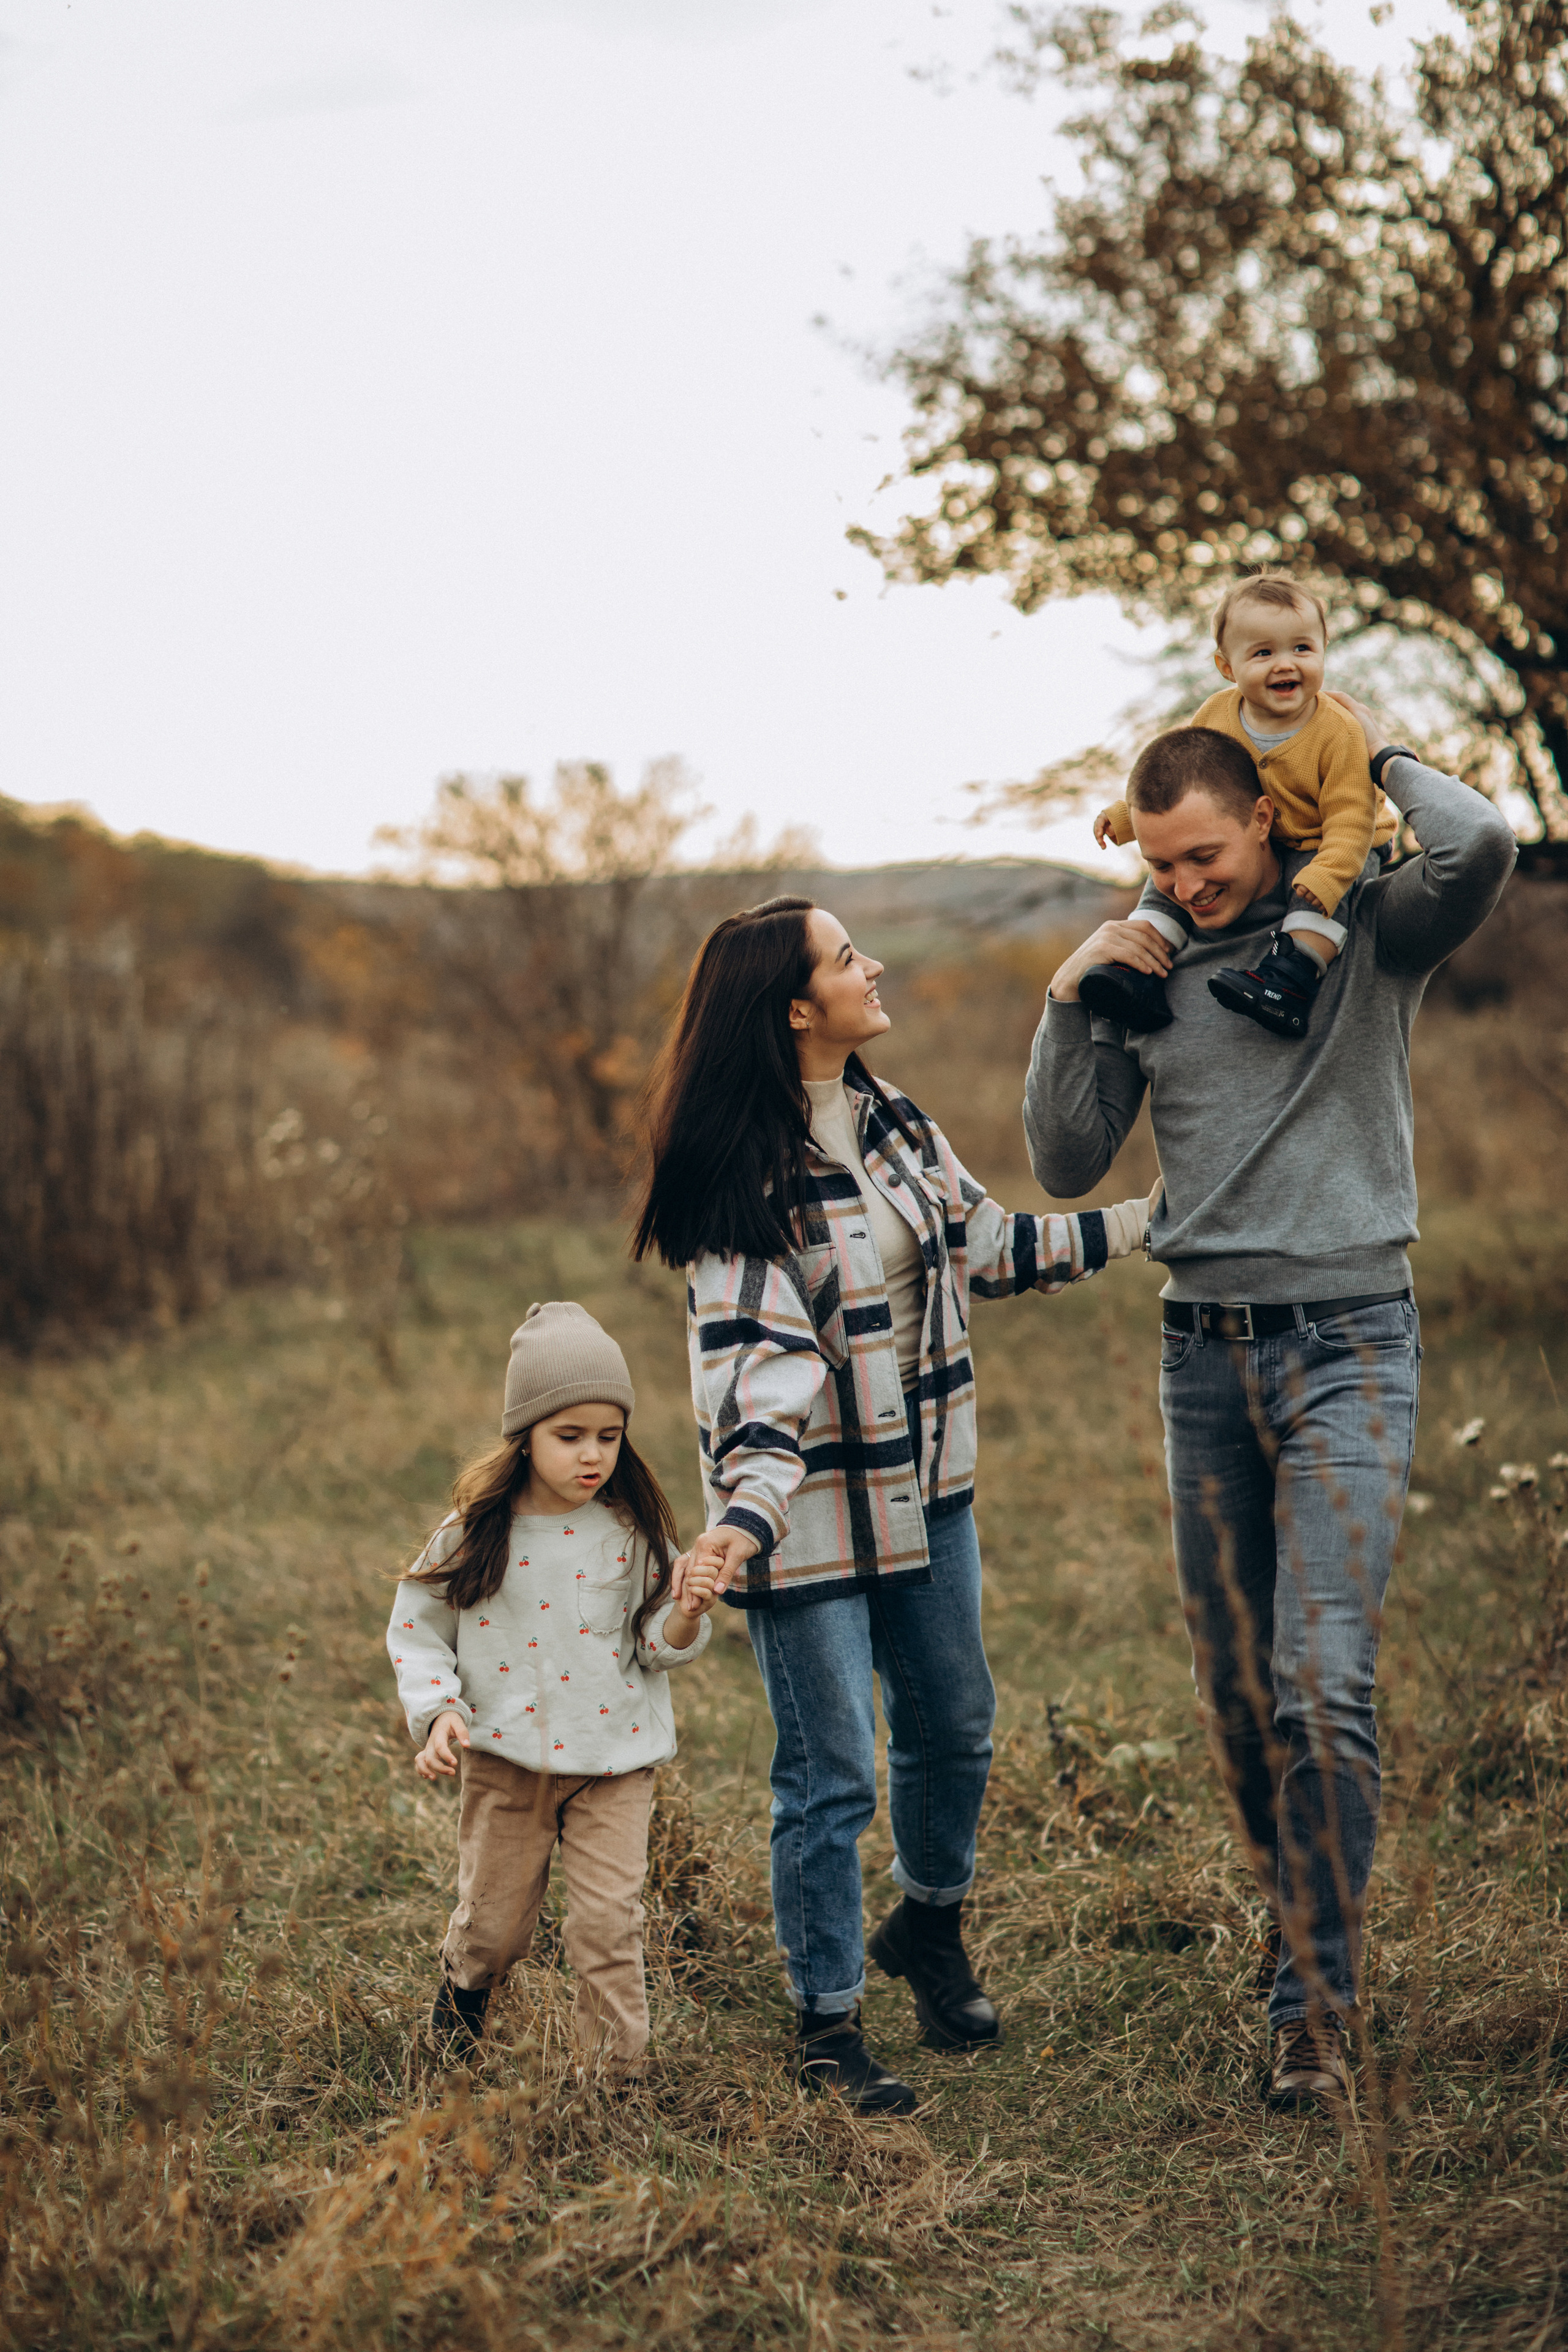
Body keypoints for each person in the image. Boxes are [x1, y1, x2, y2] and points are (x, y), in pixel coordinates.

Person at [1023, 699, 1515, 2108]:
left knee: (1324, 1682)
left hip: (1352, 1340)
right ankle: (1293, 1923)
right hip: (1201, 1355)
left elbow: (1476, 838)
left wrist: (1356, 760)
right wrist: (1071, 991)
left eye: (1204, 855)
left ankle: (1314, 2003)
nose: (1185, 884)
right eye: (1158, 862)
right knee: (1241, 1698)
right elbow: (1063, 1162)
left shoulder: (1361, 926)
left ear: (1260, 818)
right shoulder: (1147, 964)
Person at [631, 895, 1153, 2114]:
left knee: (954, 1724)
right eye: (846, 957)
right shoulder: (736, 1179)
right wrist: (740, 1519)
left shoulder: (893, 1122)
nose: (872, 968)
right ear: (797, 1008)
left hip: (926, 1496)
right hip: (802, 1518)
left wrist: (1142, 1224)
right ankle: (825, 2026)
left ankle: (927, 1929)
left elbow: (985, 1247)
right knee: (829, 1777)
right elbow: (760, 1383)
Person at [387, 1300, 718, 2076]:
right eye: (569, 1437)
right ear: (525, 1436)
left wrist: (685, 1613)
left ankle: (614, 2081)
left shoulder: (633, 1531)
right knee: (496, 1931)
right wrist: (438, 1714)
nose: (592, 1455)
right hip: (506, 1764)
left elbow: (657, 1641)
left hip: (616, 1766)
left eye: (609, 1435)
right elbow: (418, 1627)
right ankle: (461, 2011)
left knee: (608, 1929)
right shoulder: (474, 1532)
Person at [1083, 572, 1398, 1039]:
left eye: (1302, 649)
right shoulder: (1216, 715)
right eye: (1264, 653)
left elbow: (1352, 818)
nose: (1285, 664)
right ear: (1227, 667)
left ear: (1323, 652)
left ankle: (1289, 982)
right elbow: (1188, 780)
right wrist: (1128, 817)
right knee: (1167, 875)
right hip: (1264, 832)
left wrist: (1330, 872)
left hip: (1336, 840)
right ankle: (1138, 976)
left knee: (1315, 901)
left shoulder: (1339, 731)